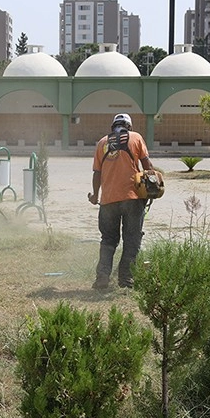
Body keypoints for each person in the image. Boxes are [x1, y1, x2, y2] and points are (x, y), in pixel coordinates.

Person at [88, 113, 154, 289]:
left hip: (108, 200)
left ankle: (102, 278)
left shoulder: (102, 143)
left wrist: (95, 196)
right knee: (131, 240)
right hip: (132, 198)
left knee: (108, 240)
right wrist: (152, 188)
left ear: (113, 127)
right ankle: (125, 280)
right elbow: (147, 167)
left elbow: (97, 173)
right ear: (129, 126)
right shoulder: (136, 137)